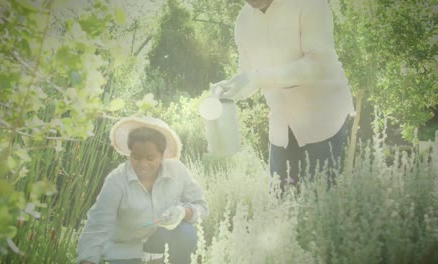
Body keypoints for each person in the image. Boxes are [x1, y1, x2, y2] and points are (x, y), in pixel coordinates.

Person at [212, 0, 355, 187]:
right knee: (281, 203)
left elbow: (318, 65)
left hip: (326, 122)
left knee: (322, 203)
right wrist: (229, 89)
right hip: (282, 127)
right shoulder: (243, 21)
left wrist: (257, 78)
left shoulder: (310, 4)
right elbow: (248, 73)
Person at [77, 116, 209, 264]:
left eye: (150, 158)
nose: (142, 164)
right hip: (126, 252)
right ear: (130, 153)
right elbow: (98, 226)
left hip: (162, 247)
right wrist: (87, 260)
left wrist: (184, 212)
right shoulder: (116, 180)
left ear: (162, 155)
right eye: (136, 157)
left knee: (186, 233)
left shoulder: (177, 171)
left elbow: (202, 207)